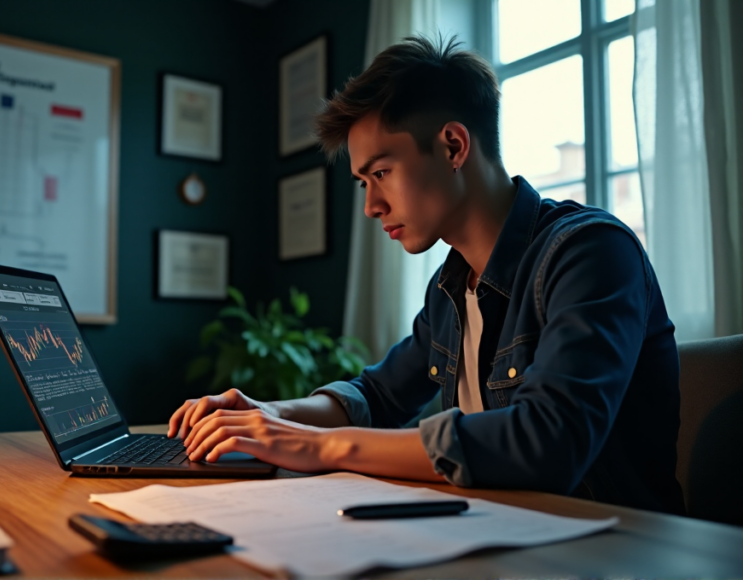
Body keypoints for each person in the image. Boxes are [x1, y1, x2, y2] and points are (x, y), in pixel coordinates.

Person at [167, 35, 685, 514]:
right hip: (500, 535)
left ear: (454, 146)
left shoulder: (590, 252)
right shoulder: (451, 287)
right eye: (362, 182)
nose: (371, 205)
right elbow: (376, 397)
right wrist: (270, 414)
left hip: (614, 549)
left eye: (382, 173)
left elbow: (548, 443)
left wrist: (315, 445)